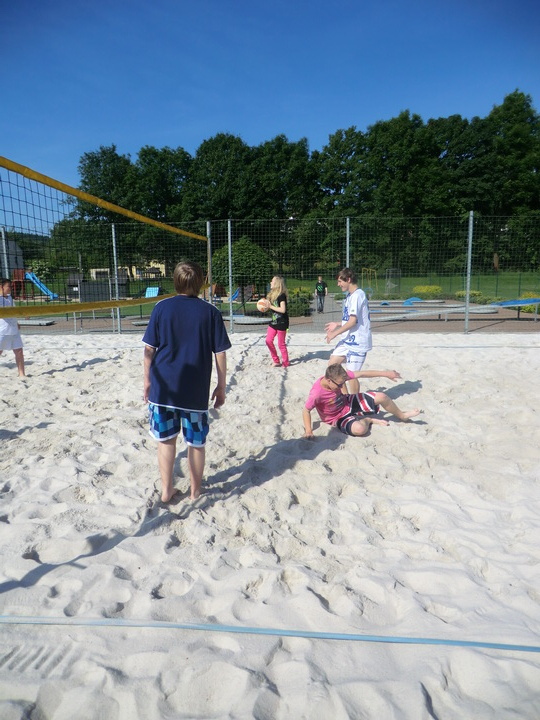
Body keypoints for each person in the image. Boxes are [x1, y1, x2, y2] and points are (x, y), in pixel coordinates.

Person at [142, 261, 231, 503]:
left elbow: (149, 350)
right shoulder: (210, 312)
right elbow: (220, 353)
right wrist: (221, 386)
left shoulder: (161, 308)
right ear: (201, 282)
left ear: (175, 281)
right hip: (195, 390)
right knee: (196, 443)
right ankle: (195, 491)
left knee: (166, 441)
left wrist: (147, 381)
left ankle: (166, 490)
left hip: (164, 388)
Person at [303, 363, 421, 438]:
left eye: (343, 383)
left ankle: (402, 416)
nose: (342, 386)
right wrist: (309, 430)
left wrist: (386, 374)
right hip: (337, 417)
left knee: (382, 396)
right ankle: (369, 420)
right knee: (360, 430)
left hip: (347, 402)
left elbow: (362, 374)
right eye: (339, 385)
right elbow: (306, 410)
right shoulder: (316, 393)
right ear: (329, 380)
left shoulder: (338, 377)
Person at [325, 267, 371, 393]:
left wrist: (334, 333)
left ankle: (354, 400)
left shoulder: (358, 295)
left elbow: (353, 321)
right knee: (333, 366)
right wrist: (337, 324)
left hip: (358, 342)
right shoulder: (350, 296)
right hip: (348, 339)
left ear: (348, 280)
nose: (338, 284)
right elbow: (351, 320)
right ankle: (345, 396)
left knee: (351, 375)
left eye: (340, 281)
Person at [0, 278, 26, 378]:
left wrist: (17, 321)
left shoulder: (10, 297)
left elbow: (13, 311)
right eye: (8, 286)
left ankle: (21, 374)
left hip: (13, 329)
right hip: (2, 330)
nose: (10, 288)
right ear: (1, 287)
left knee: (19, 351)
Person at [263, 275, 290, 367]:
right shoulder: (271, 295)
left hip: (282, 322)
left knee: (281, 344)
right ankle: (276, 360)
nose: (270, 282)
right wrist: (263, 306)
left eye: (272, 281)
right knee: (268, 341)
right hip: (274, 322)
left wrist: (270, 306)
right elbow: (269, 306)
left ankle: (286, 362)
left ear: (277, 283)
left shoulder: (281, 296)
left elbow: (283, 310)